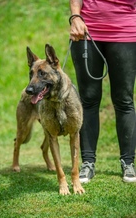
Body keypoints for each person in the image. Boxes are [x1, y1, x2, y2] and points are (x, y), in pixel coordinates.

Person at [69, 0, 136, 183]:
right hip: (87, 31)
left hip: (126, 32)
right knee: (88, 99)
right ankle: (87, 163)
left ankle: (128, 162)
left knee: (124, 99)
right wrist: (75, 16)